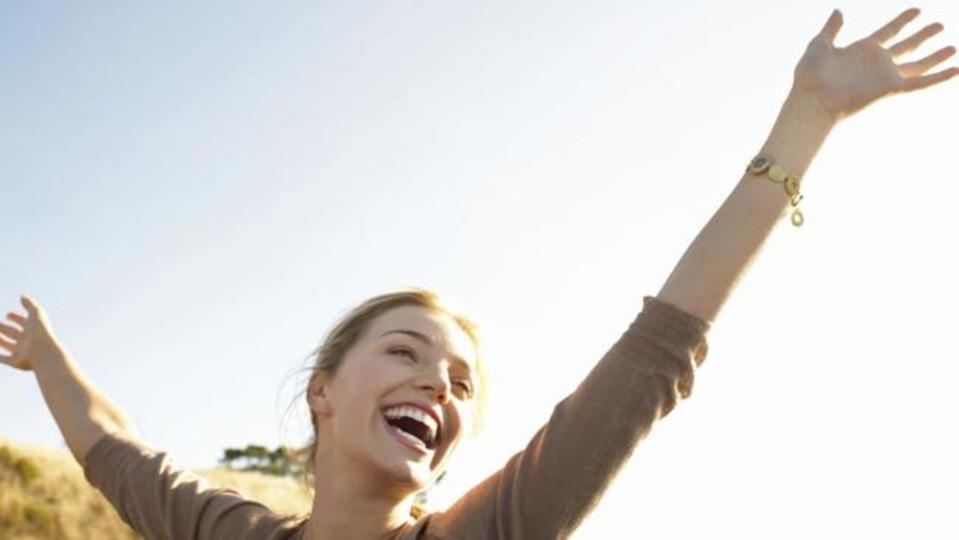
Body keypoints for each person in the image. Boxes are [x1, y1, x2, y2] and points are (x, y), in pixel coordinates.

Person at [2, 7, 955, 540]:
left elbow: (654, 354)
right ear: (324, 391)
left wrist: (808, 120)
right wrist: (47, 358)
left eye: (461, 382)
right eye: (408, 351)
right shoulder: (225, 533)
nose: (437, 382)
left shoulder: (486, 536)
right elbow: (110, 449)